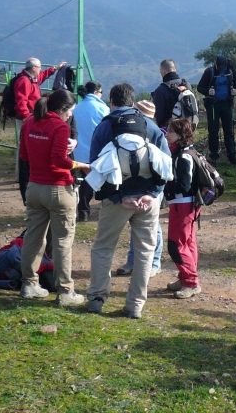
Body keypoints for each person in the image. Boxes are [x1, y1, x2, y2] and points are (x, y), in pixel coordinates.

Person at [85, 83, 172, 319]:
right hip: (147, 201)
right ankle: (135, 305)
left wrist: (117, 196)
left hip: (116, 201)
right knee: (145, 251)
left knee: (104, 247)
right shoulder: (150, 127)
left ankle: (96, 298)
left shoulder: (104, 127)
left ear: (111, 102)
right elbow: (166, 165)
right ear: (133, 103)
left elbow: (95, 166)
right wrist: (153, 194)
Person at [18, 88, 88, 306]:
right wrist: (80, 165)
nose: (70, 116)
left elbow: (24, 155)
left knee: (33, 237)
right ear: (63, 109)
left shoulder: (30, 122)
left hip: (35, 186)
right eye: (70, 112)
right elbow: (59, 160)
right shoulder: (59, 126)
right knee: (62, 241)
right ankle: (65, 291)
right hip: (58, 188)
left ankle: (29, 283)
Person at [112, 99, 164, 277]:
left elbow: (164, 162)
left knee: (152, 227)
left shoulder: (155, 132)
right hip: (137, 185)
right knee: (138, 225)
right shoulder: (137, 129)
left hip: (151, 187)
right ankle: (133, 261)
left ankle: (154, 263)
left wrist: (155, 190)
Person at [164, 117, 202, 299]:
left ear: (180, 135)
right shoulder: (188, 152)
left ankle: (191, 282)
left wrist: (165, 184)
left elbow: (184, 185)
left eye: (170, 131)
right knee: (188, 243)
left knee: (176, 245)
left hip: (183, 205)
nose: (167, 134)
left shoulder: (183, 156)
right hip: (189, 204)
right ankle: (185, 276)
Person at [196, 55, 236, 165]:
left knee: (229, 131)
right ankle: (214, 157)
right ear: (216, 64)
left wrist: (235, 90)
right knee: (213, 131)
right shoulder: (209, 72)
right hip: (213, 106)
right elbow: (200, 87)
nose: (222, 68)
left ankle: (232, 156)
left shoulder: (230, 71)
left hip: (227, 104)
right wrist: (208, 92)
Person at [73, 81, 109, 222]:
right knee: (94, 181)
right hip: (96, 152)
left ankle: (82, 211)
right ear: (96, 92)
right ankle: (92, 210)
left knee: (81, 182)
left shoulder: (76, 108)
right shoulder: (103, 108)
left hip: (77, 152)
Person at [13, 58, 65, 131]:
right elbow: (21, 102)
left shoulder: (31, 78)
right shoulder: (24, 81)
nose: (40, 69)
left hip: (31, 115)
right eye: (39, 67)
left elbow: (42, 75)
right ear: (34, 68)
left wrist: (55, 68)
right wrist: (27, 118)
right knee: (27, 139)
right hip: (26, 118)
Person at [151, 59, 183, 129]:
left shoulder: (161, 90)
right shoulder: (186, 85)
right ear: (175, 69)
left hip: (170, 131)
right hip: (187, 128)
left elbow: (158, 116)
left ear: (163, 71)